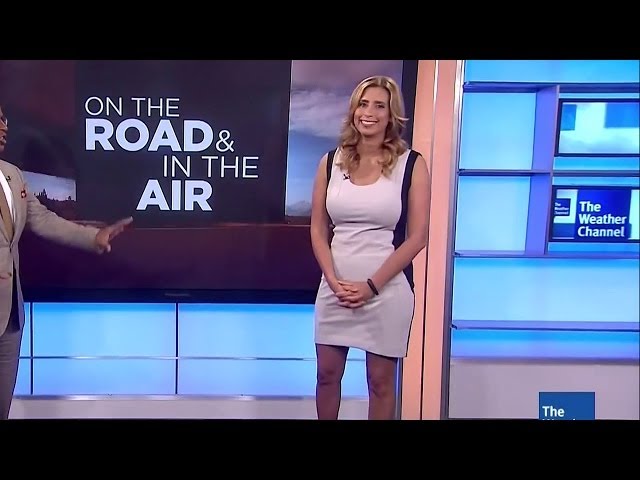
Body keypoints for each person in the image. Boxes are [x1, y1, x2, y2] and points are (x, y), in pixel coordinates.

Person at [0, 104, 133, 419]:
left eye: (4, 119)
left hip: (9, 317)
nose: (4, 127)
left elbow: (42, 219)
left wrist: (93, 237)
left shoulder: (12, 176)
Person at [310, 75, 430, 420]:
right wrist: (333, 281)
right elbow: (318, 229)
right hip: (335, 287)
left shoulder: (412, 164)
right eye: (363, 104)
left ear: (392, 115)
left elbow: (418, 237)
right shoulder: (330, 162)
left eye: (379, 106)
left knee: (379, 382)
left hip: (386, 291)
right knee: (326, 375)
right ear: (353, 111)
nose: (369, 113)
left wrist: (371, 286)